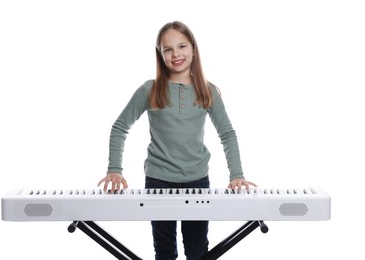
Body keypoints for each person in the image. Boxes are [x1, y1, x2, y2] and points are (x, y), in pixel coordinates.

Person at [97, 21, 256, 260]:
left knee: (197, 252)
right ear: (160, 54)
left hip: (198, 180)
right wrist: (114, 170)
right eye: (167, 49)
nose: (176, 54)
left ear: (193, 48)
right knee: (164, 251)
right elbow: (120, 127)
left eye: (181, 46)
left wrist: (237, 175)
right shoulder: (149, 90)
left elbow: (227, 134)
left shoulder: (207, 91)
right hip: (159, 181)